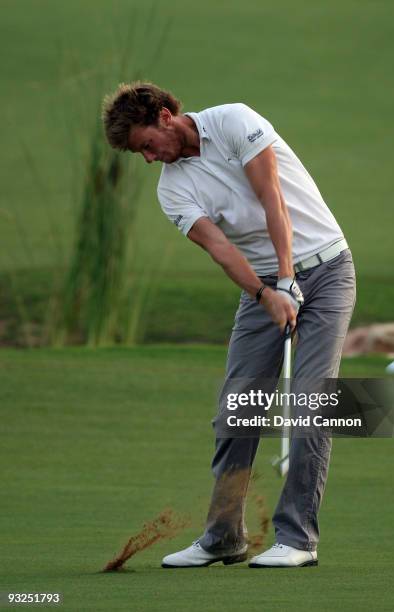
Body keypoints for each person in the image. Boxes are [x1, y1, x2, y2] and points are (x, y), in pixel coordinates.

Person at [102, 82, 356, 568]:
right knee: (236, 410)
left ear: (163, 116)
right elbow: (221, 250)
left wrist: (287, 278)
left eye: (146, 146)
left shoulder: (234, 121)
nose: (149, 159)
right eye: (140, 155)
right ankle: (224, 537)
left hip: (327, 271)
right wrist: (267, 294)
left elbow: (272, 199)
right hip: (260, 285)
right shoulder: (172, 190)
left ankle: (298, 539)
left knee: (309, 404)